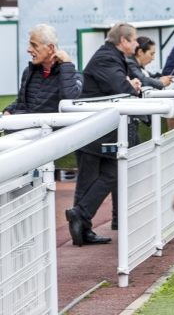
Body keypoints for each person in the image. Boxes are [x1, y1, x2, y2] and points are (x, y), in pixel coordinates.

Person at [66, 23, 142, 246]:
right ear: (124, 41)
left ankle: (81, 220)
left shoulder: (111, 56)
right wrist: (132, 86)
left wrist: (132, 84)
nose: (137, 43)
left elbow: (122, 84)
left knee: (112, 172)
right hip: (92, 130)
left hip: (99, 130)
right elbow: (121, 88)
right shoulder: (107, 58)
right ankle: (81, 226)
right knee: (89, 180)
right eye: (134, 39)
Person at [3, 24, 83, 118]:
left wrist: (67, 64)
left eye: (34, 45)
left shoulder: (74, 76)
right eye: (30, 44)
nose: (29, 49)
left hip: (48, 131)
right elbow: (23, 101)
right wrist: (9, 110)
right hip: (22, 128)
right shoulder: (29, 71)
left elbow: (69, 98)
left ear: (50, 48)